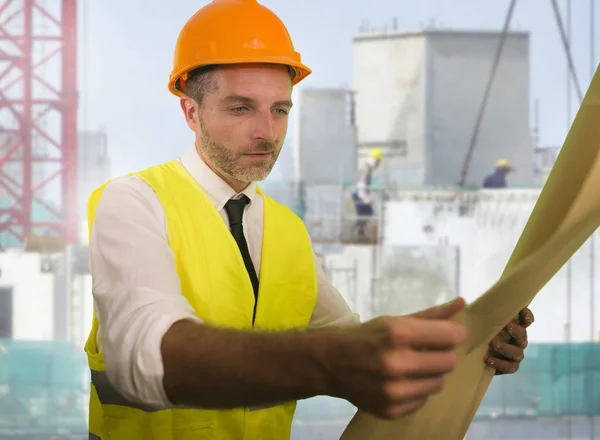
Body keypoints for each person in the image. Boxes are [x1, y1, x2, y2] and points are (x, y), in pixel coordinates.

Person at [84, 1, 534, 439]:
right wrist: (333, 363)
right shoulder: (133, 202)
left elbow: (353, 347)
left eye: (280, 109)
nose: (268, 131)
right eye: (241, 108)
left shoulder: (286, 230)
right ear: (191, 112)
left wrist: (470, 344)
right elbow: (140, 357)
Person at [352, 147, 383, 240]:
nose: (378, 164)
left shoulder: (367, 167)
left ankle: (360, 232)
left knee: (365, 213)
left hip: (359, 194)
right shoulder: (366, 168)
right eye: (378, 161)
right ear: (375, 159)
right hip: (359, 194)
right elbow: (361, 183)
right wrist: (364, 198)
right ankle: (358, 232)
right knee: (365, 213)